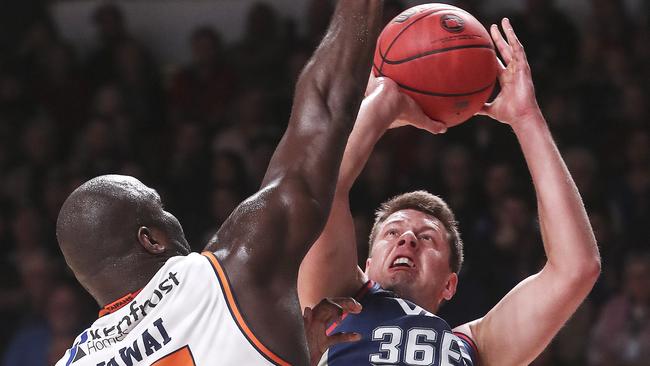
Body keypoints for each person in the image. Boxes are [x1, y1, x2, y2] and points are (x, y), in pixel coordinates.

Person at [54, 0, 383, 365]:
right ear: (150, 239)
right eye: (161, 209)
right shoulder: (223, 279)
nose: (172, 217)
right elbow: (324, 109)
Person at [298, 18, 601, 365]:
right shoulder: (337, 302)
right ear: (366, 265)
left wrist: (526, 117)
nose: (407, 239)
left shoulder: (476, 346)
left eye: (427, 238)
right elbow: (316, 194)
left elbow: (576, 267)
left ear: (450, 285)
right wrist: (383, 103)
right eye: (392, 232)